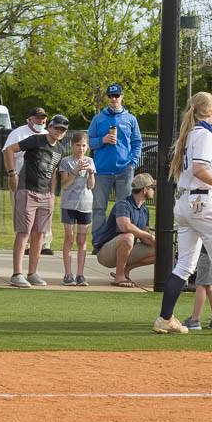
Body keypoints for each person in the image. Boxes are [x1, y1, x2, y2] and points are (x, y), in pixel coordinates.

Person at [153, 92, 212, 335]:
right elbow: (199, 169)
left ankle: (165, 318)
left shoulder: (188, 134)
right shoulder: (204, 134)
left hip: (185, 201)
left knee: (185, 264)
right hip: (201, 202)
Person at [3, 113, 70, 287]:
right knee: (24, 232)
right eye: (57, 128)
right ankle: (17, 273)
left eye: (63, 129)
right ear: (50, 127)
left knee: (40, 234)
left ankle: (32, 272)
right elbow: (9, 150)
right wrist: (11, 174)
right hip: (27, 190)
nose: (59, 132)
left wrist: (52, 195)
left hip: (45, 194)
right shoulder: (36, 140)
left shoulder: (60, 150)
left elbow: (53, 172)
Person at [88, 82, 142, 249]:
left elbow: (137, 142)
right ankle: (98, 243)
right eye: (110, 96)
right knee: (98, 208)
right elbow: (89, 141)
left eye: (116, 96)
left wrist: (132, 162)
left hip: (124, 170)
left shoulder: (130, 119)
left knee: (123, 208)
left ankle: (121, 242)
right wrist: (102, 140)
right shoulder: (98, 118)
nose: (113, 99)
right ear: (107, 98)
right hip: (102, 170)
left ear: (122, 97)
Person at [3, 107, 54, 255]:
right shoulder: (18, 133)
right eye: (38, 117)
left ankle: (45, 244)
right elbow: (8, 152)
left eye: (43, 117)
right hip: (22, 180)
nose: (41, 120)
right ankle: (25, 245)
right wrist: (11, 174)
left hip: (42, 182)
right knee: (21, 213)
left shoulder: (47, 134)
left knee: (44, 214)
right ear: (29, 119)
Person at [94, 172, 157, 288]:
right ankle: (119, 277)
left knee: (160, 251)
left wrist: (155, 241)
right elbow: (125, 226)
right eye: (152, 188)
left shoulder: (144, 210)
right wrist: (148, 236)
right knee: (128, 237)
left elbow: (144, 238)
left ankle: (126, 270)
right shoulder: (123, 204)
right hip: (105, 254)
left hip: (127, 248)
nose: (154, 190)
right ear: (144, 190)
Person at [58, 131, 96, 286]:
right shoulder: (66, 161)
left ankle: (80, 274)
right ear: (73, 146)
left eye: (84, 145)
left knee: (82, 239)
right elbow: (65, 185)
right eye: (78, 145)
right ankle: (68, 274)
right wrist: (75, 171)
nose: (81, 149)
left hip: (85, 204)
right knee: (69, 237)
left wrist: (91, 173)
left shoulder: (90, 161)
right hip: (68, 204)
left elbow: (91, 186)